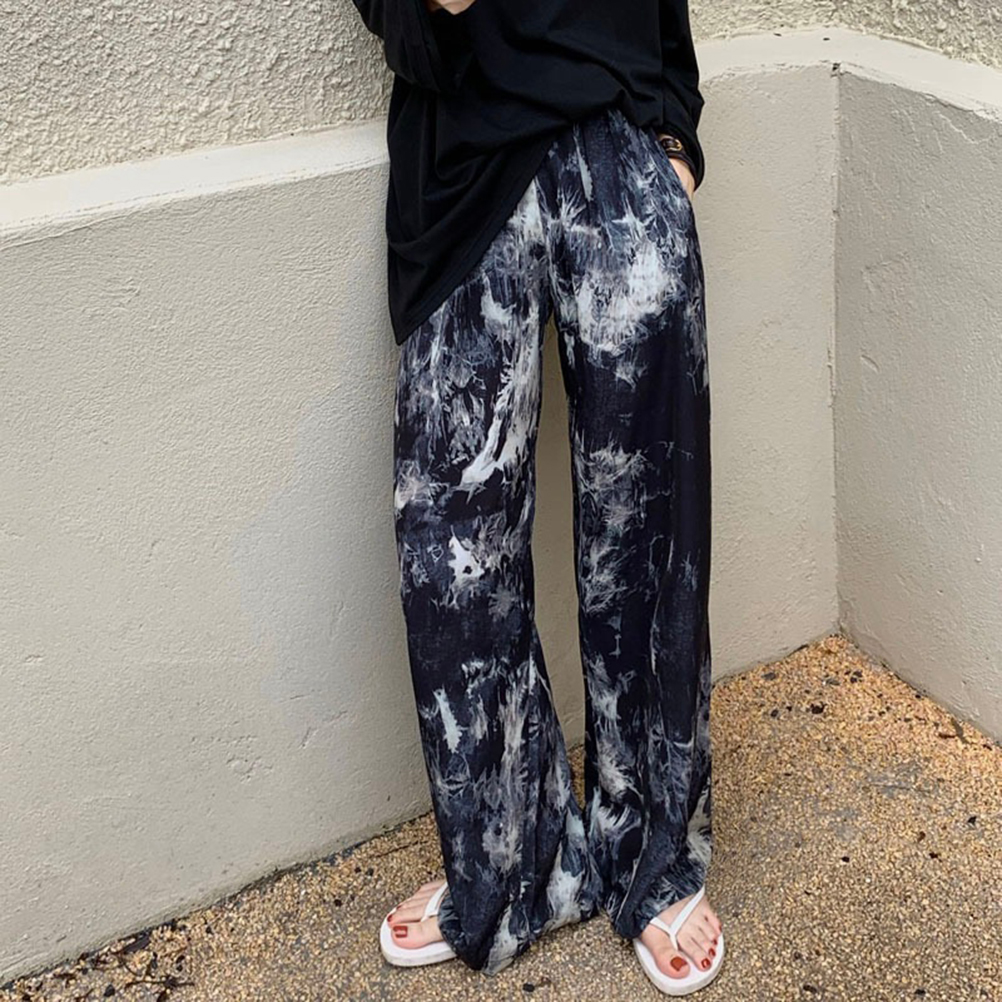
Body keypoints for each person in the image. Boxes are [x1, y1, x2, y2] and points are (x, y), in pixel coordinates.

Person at [350, 0, 724, 991]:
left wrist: (672, 144)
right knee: (454, 556)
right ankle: (505, 864)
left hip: (621, 161)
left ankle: (652, 855)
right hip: (462, 179)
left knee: (648, 532)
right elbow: (403, 29)